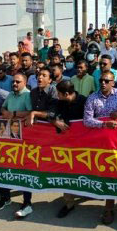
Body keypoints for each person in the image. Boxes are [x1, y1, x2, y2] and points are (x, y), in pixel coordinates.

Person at [83, 71, 117, 224]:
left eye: (107, 81)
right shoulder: (93, 98)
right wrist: (104, 124)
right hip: (99, 143)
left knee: (114, 172)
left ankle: (109, 208)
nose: (103, 83)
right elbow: (87, 120)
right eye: (101, 80)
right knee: (102, 172)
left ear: (113, 82)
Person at [0, 73, 33, 216]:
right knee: (4, 164)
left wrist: (15, 113)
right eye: (13, 82)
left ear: (24, 82)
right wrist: (6, 113)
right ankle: (5, 197)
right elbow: (2, 108)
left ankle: (27, 203)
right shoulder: (11, 95)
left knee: (24, 170)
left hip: (23, 139)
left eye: (18, 82)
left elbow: (30, 112)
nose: (14, 84)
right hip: (7, 135)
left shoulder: (28, 95)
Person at [51, 80, 88, 218]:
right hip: (66, 145)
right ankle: (68, 203)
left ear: (66, 94)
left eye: (59, 94)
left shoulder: (84, 101)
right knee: (66, 172)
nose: (57, 96)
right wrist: (56, 122)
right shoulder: (60, 102)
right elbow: (50, 114)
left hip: (85, 145)